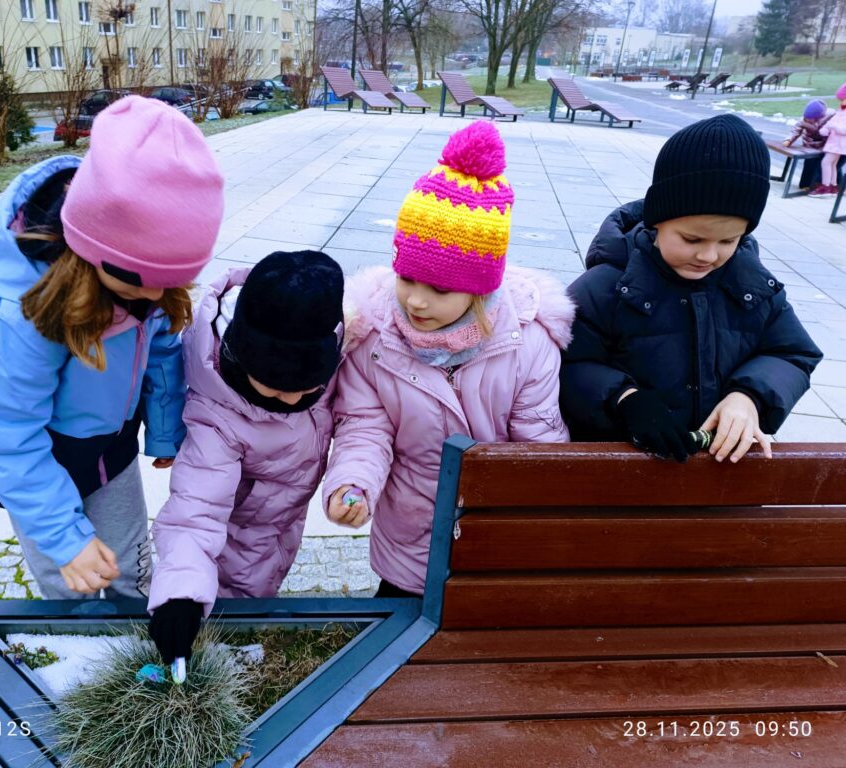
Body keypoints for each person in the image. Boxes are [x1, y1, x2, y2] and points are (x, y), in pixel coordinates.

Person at [0, 96, 224, 599]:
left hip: (113, 448)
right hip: (40, 456)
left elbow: (165, 348)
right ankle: (75, 663)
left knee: (127, 570)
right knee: (71, 581)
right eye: (138, 284)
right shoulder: (26, 309)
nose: (154, 297)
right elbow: (5, 431)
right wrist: (65, 541)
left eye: (170, 283)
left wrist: (166, 429)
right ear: (92, 247)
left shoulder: (151, 287)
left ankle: (135, 665)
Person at [321, 121, 574, 599]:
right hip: (409, 530)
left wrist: (532, 521)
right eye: (406, 279)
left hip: (492, 531)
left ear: (480, 288)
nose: (416, 301)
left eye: (439, 289)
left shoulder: (526, 344)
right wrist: (352, 481)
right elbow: (363, 427)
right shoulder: (376, 338)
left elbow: (537, 445)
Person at [562, 113, 823, 464]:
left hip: (718, 471)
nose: (708, 255)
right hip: (623, 469)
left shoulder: (754, 286)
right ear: (657, 221)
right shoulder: (608, 286)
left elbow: (792, 354)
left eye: (729, 240)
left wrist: (749, 397)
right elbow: (564, 363)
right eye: (691, 238)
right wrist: (623, 398)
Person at [147, 251, 344, 665]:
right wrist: (180, 594)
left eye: (307, 388)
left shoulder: (331, 344)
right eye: (275, 388)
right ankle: (225, 645)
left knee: (267, 569)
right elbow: (195, 509)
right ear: (239, 355)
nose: (292, 399)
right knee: (235, 590)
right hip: (234, 530)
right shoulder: (216, 414)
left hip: (281, 520)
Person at [782, 99, 833, 192]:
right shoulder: (804, 120)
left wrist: (822, 144)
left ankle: (820, 186)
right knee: (809, 164)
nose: (807, 121)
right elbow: (796, 129)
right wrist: (789, 139)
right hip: (809, 145)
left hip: (823, 146)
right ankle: (804, 185)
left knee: (822, 166)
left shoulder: (828, 119)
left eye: (810, 121)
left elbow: (831, 134)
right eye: (806, 119)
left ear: (818, 118)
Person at [813, 83, 846, 197]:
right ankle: (833, 186)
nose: (842, 102)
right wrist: (825, 128)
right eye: (841, 100)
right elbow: (832, 122)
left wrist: (833, 127)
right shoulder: (841, 112)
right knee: (832, 164)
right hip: (834, 143)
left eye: (844, 99)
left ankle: (825, 186)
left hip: (840, 144)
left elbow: (843, 129)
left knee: (826, 162)